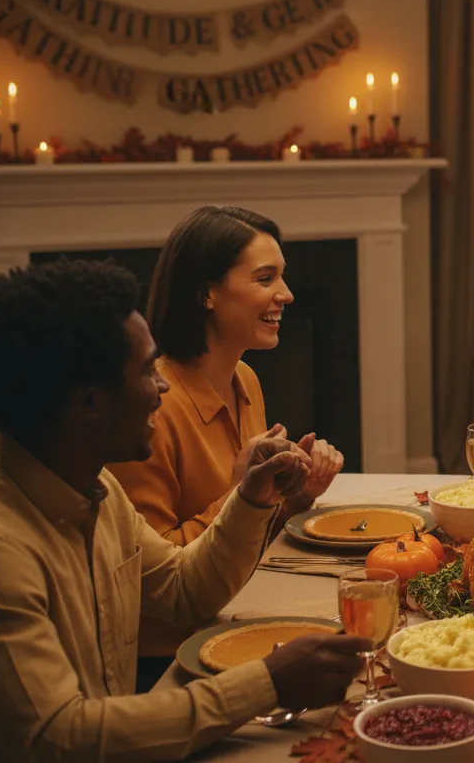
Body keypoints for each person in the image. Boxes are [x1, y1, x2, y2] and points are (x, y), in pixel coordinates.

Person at [0, 260, 367, 761]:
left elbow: (182, 591)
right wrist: (266, 684)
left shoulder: (92, 486)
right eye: (148, 370)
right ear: (89, 401)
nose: (164, 387)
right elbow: (61, 737)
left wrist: (251, 499)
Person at [106, 207, 344, 677]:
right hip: (173, 657)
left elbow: (248, 539)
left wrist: (294, 497)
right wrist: (241, 494)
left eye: (283, 276)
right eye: (264, 278)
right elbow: (153, 585)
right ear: (207, 294)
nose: (287, 294)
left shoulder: (245, 380)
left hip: (237, 608)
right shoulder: (151, 407)